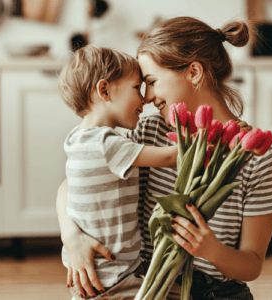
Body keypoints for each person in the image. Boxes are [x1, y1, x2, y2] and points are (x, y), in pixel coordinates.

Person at [57, 17, 272, 300]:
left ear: (194, 72)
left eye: (151, 82)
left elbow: (252, 265)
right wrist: (71, 236)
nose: (147, 97)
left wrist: (210, 249)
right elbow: (75, 182)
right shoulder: (149, 132)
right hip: (147, 285)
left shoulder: (256, 158)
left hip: (216, 293)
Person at [57, 45, 183, 300]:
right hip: (114, 277)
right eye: (137, 88)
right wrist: (222, 137)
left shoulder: (77, 138)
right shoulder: (106, 144)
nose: (144, 99)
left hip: (101, 273)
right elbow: (172, 158)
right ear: (104, 90)